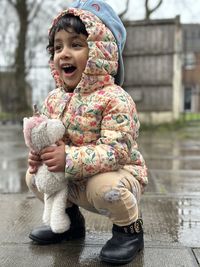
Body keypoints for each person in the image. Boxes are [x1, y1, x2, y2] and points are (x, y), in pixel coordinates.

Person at [25, 0, 148, 264]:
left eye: (76, 44)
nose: (64, 54)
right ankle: (68, 222)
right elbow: (48, 139)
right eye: (58, 47)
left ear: (100, 52)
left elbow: (117, 151)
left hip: (118, 175)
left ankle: (129, 230)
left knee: (105, 187)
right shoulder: (53, 99)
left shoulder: (115, 99)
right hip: (73, 178)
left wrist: (68, 159)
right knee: (34, 177)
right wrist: (40, 157)